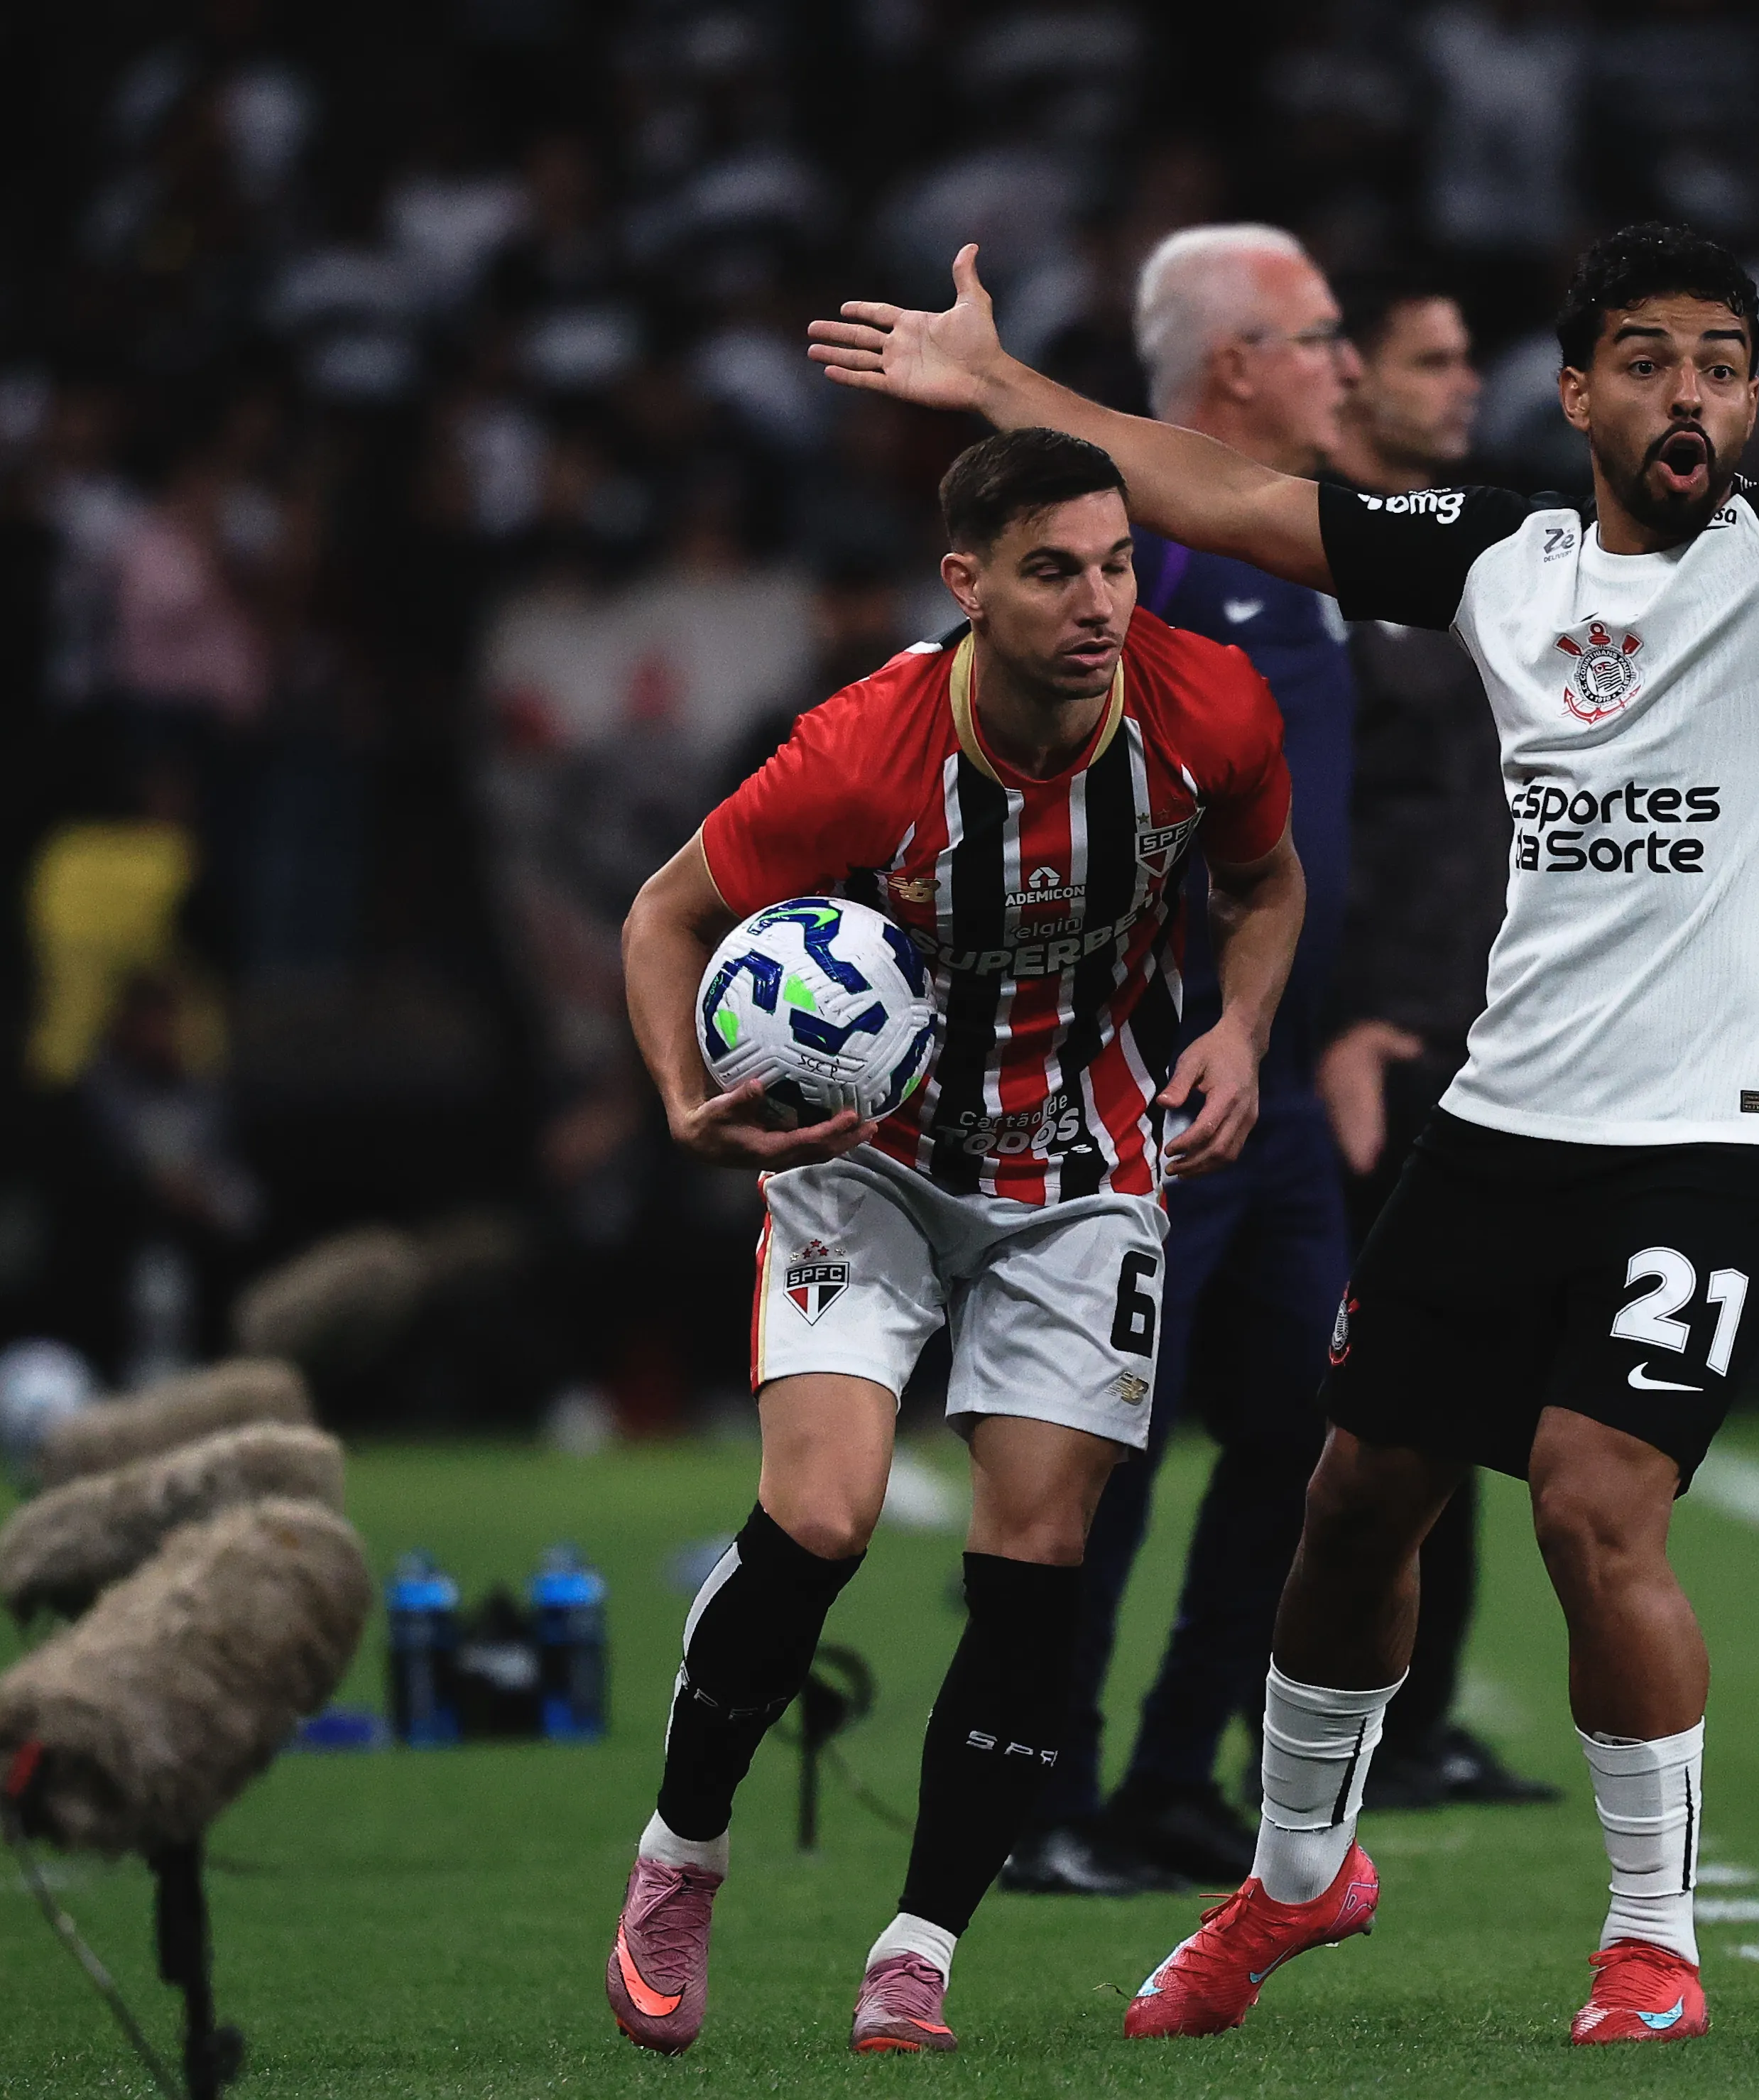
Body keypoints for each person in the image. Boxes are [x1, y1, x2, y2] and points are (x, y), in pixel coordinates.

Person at [812, 219, 1759, 2045]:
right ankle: (1294, 1879)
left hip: (1712, 1139)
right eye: (1655, 360)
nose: (1696, 395)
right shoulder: (1500, 559)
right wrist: (1002, 386)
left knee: (1599, 1505)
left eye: (1727, 363)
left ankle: (1653, 1935)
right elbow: (1233, 490)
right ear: (1580, 389)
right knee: (1353, 1508)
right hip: (1504, 1121)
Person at [599, 426, 1305, 2057]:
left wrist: (1248, 1025)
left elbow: (1265, 886)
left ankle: (917, 1944)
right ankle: (679, 1850)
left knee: (1036, 1559)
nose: (1101, 601)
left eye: (1119, 562)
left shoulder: (1211, 711)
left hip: (1089, 1164)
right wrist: (680, 1097)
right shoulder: (862, 750)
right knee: (825, 1512)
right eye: (1056, 569)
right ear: (967, 583)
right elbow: (662, 913)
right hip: (874, 1158)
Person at [1003, 224, 1368, 1897]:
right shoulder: (1112, 571)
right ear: (1233, 367)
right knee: (1097, 1450)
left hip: (1281, 1090)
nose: (1343, 365)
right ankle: (1041, 1790)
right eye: (1317, 337)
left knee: (1303, 1443)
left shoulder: (1314, 551)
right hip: (1137, 1087)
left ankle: (1165, 1777)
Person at [1315, 272, 1556, 1811]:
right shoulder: (1317, 564)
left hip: (1492, 1022)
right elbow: (1298, 821)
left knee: (1466, 1394)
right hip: (1376, 1025)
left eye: (1470, 359)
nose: (1463, 384)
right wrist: (1334, 1015)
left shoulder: (1498, 550)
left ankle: (1414, 1725)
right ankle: (1332, 1731)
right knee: (1370, 1395)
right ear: (1352, 379)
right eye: (1429, 360)